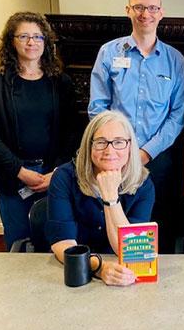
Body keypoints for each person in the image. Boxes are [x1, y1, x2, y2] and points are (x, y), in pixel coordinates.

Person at [87, 0, 184, 253]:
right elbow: (97, 109)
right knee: (117, 223)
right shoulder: (109, 53)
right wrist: (119, 149)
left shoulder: (174, 60)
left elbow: (177, 116)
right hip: (113, 159)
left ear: (161, 13)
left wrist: (144, 152)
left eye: (152, 8)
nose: (146, 14)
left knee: (159, 226)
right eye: (139, 7)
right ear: (128, 10)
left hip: (158, 160)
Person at [0, 11, 76, 251]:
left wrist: (56, 172)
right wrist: (21, 172)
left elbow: (72, 133)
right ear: (11, 41)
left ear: (46, 42)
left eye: (38, 37)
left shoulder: (60, 82)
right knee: (18, 245)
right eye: (24, 36)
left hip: (53, 176)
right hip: (13, 178)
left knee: (55, 244)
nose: (31, 42)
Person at [46, 110, 155, 286]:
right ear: (89, 146)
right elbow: (62, 243)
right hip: (74, 274)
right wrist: (100, 268)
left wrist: (111, 198)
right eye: (101, 142)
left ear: (130, 146)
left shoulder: (143, 184)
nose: (109, 150)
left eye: (119, 142)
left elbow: (132, 253)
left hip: (123, 273)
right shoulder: (64, 177)